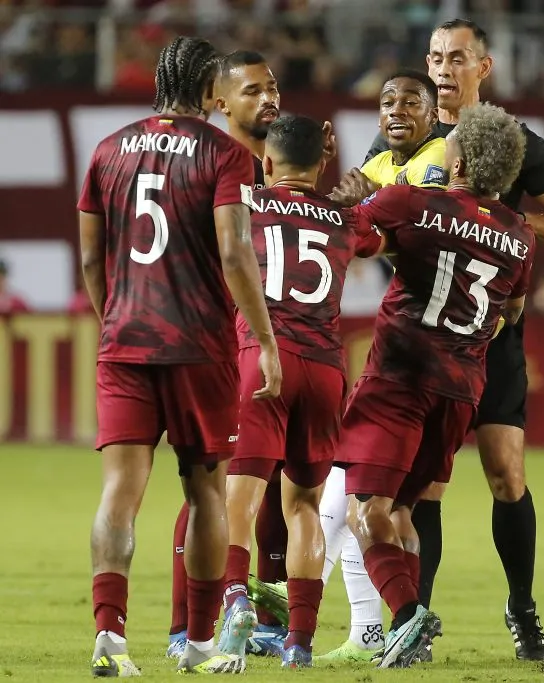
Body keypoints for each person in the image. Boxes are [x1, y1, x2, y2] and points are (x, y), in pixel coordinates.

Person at [358, 18, 544, 661]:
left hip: (490, 336)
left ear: (483, 67)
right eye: (434, 56)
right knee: (423, 487)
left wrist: (497, 220)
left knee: (504, 473)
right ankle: (414, 619)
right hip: (419, 335)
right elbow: (373, 218)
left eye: (456, 57)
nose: (440, 68)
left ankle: (522, 608)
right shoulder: (402, 136)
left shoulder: (512, 142)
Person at [78, 35, 281, 676]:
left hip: (125, 341)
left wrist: (113, 315)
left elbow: (90, 255)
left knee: (120, 491)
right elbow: (234, 251)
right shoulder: (224, 154)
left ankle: (109, 634)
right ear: (209, 93)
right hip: (198, 346)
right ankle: (194, 641)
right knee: (206, 492)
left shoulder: (108, 149)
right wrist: (265, 337)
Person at [336, 102, 535, 668]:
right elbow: (512, 312)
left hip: (400, 377)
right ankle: (413, 632)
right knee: (404, 509)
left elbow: (355, 232)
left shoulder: (411, 202)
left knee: (365, 509)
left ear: (460, 157)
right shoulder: (521, 236)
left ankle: (406, 617)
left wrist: (350, 204)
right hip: (461, 389)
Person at [215, 114, 383, 669]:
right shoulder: (344, 218)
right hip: (326, 368)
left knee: (241, 489)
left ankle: (236, 597)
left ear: (266, 161)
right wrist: (361, 194)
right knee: (305, 504)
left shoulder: (249, 203)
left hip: (265, 359)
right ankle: (301, 642)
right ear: (323, 162)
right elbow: (374, 238)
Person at [308, 68, 448, 663]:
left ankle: (395, 618)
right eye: (387, 101)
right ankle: (388, 628)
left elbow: (392, 228)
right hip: (442, 363)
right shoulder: (389, 168)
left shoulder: (436, 163)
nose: (396, 111)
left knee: (347, 505)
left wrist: (350, 209)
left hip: (413, 361)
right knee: (388, 510)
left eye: (411, 102)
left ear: (434, 111)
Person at [166, 48, 290, 661]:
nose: (269, 99)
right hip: (224, 340)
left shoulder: (279, 169)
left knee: (272, 481)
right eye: (252, 91)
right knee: (210, 487)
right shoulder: (212, 165)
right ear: (220, 102)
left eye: (273, 88)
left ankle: (258, 612)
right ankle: (184, 625)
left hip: (272, 340)